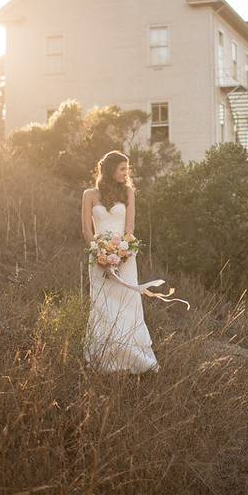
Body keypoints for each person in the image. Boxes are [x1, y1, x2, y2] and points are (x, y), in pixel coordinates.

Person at [80, 150, 160, 374]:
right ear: (109, 170)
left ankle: (131, 360)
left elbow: (130, 228)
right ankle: (104, 361)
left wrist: (121, 254)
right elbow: (87, 230)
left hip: (125, 257)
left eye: (127, 169)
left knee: (126, 304)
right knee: (103, 306)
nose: (126, 173)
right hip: (98, 259)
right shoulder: (89, 195)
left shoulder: (128, 192)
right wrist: (100, 255)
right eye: (122, 169)